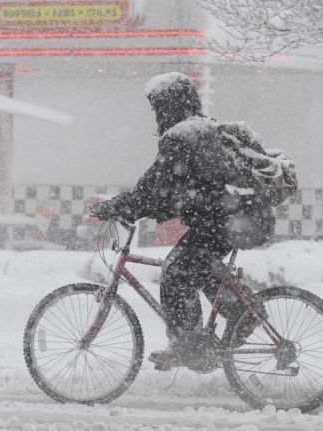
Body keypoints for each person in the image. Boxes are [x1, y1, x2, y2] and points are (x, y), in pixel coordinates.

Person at [91, 72, 269, 368]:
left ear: (169, 105)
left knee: (176, 271)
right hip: (232, 217)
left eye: (158, 107)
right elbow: (164, 187)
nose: (157, 115)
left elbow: (155, 190)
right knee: (199, 267)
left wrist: (122, 207)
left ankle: (188, 344)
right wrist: (135, 205)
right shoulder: (201, 129)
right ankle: (243, 314)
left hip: (223, 220)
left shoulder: (183, 136)